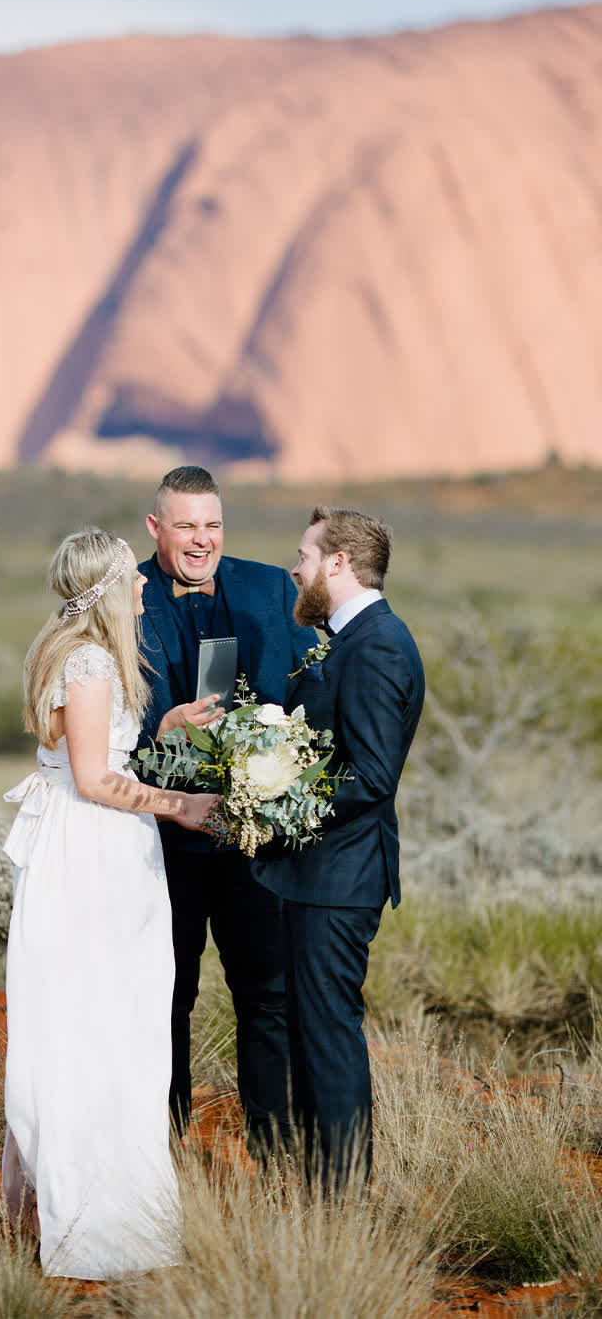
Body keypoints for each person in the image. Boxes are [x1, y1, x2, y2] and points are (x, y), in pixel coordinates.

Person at [1, 528, 219, 1279]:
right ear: (107, 587)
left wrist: (163, 727)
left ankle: (72, 1199)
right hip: (94, 851)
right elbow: (95, 779)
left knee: (98, 1017)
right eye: (134, 576)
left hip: (86, 844)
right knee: (105, 1023)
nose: (145, 587)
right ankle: (98, 1218)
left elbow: (91, 753)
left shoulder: (71, 652)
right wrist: (180, 803)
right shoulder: (91, 659)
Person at [137, 466, 318, 1156]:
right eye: (186, 525)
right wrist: (164, 728)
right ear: (157, 528)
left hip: (250, 843)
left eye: (212, 525)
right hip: (162, 843)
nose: (201, 540)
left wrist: (290, 752)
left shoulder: (270, 587)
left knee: (266, 1002)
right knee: (166, 1000)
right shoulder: (126, 597)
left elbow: (311, 683)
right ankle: (164, 1150)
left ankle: (273, 1153)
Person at [253, 505, 425, 1190]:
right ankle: (320, 1189)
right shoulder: (343, 637)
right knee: (307, 1034)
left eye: (303, 553)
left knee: (327, 1037)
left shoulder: (378, 643)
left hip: (339, 876)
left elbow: (373, 776)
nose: (294, 567)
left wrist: (277, 802)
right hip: (315, 875)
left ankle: (343, 1200)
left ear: (338, 562)